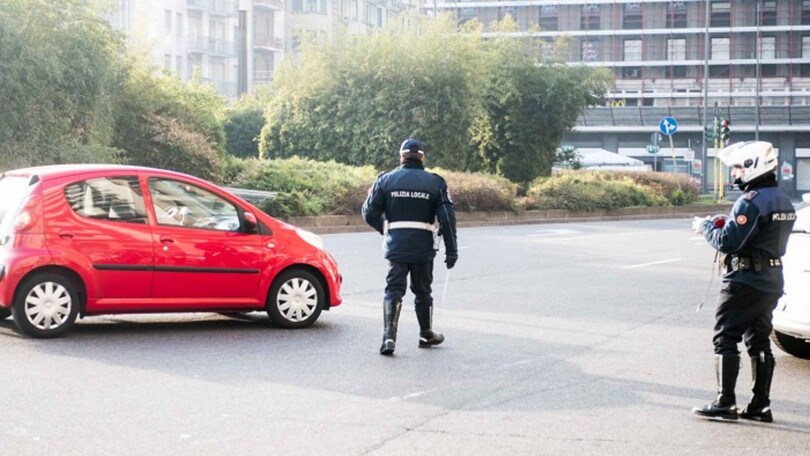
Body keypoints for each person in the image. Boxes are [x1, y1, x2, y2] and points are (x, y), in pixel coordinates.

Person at [691, 141, 796, 422]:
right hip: (771, 279)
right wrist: (725, 222)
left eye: (738, 167)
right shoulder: (783, 199)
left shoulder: (751, 201)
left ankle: (725, 402)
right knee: (759, 340)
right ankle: (760, 405)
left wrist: (705, 226)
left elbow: (729, 243)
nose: (735, 173)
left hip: (744, 279)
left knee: (725, 337)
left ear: (753, 166)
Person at [362, 138, 458, 356]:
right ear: (422, 157)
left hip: (396, 246)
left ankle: (389, 338)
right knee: (423, 290)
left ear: (402, 156)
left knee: (393, 289)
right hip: (423, 247)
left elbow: (368, 212)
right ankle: (426, 334)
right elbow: (447, 217)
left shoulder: (385, 180)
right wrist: (452, 249)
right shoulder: (435, 182)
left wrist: (387, 230)